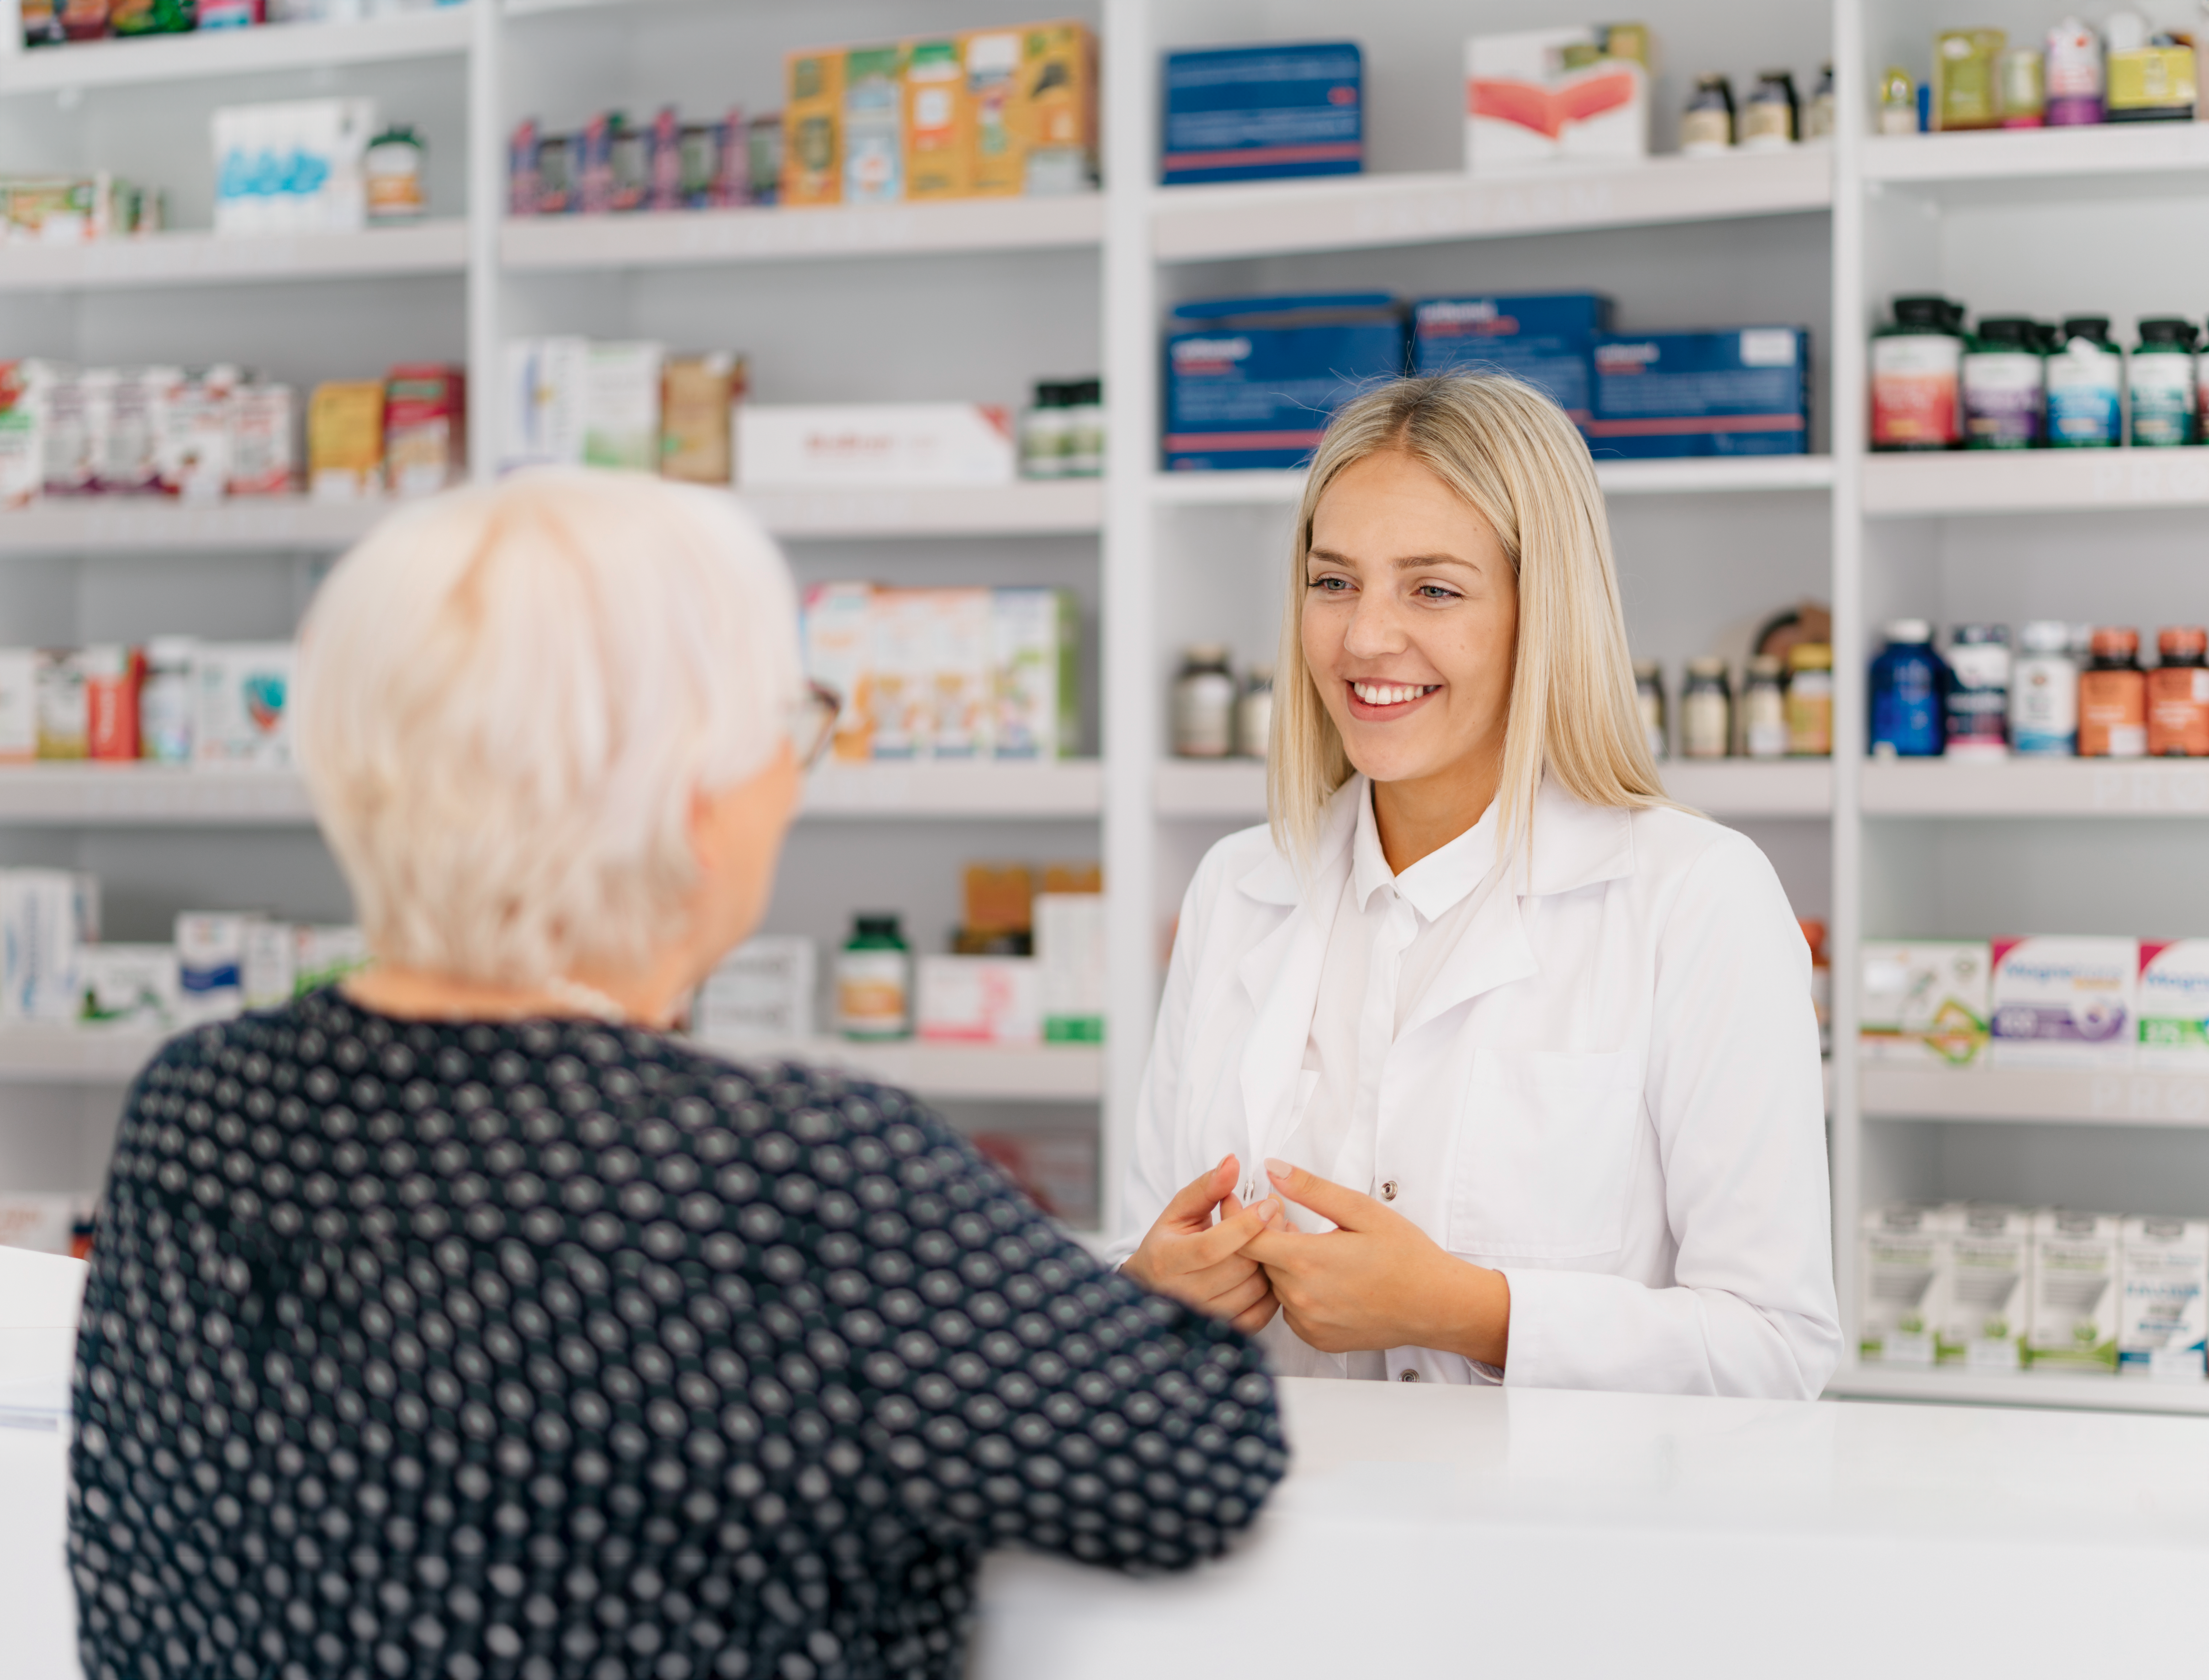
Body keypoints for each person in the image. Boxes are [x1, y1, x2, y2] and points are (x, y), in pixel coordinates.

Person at [67, 469, 1287, 1680]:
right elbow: (1194, 1467)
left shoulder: (198, 1106)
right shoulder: (792, 1175)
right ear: (688, 797)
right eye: (789, 729)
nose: (794, 778)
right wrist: (1155, 1314)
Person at [1115, 375, 1841, 1397]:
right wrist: (1148, 1292)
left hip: (1550, 1549)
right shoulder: (1239, 886)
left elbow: (1778, 1349)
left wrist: (1466, 1312)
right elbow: (1145, 1246)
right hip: (1268, 1530)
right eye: (1334, 583)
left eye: (1434, 589)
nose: (1366, 638)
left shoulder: (1697, 897)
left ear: (1541, 613)